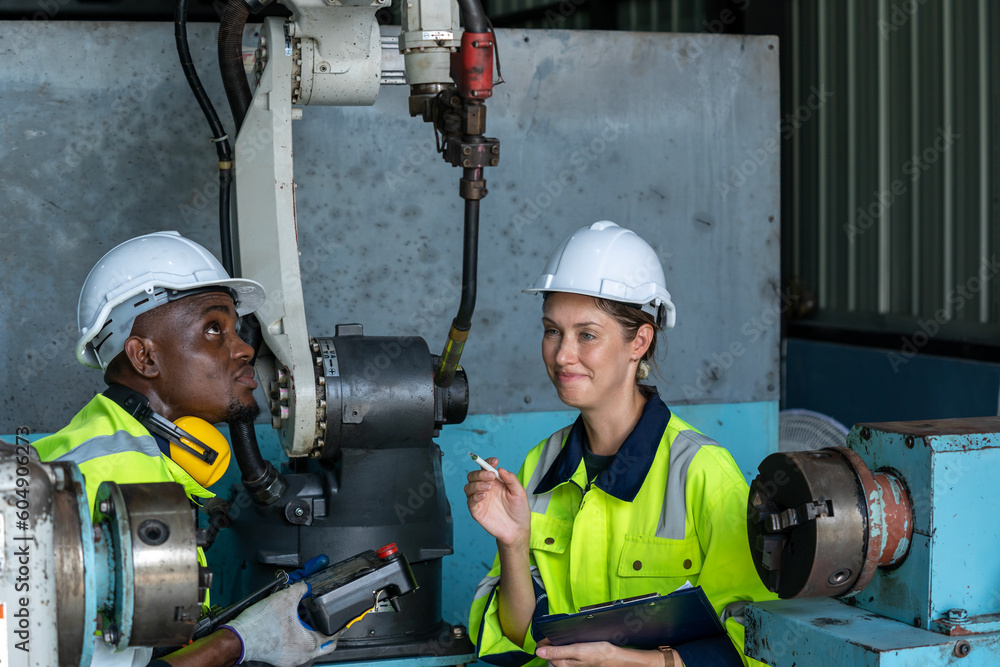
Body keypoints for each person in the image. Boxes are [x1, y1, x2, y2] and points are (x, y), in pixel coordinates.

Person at [466, 221, 776, 666]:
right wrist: (513, 544)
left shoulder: (703, 472)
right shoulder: (539, 465)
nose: (562, 354)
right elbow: (520, 638)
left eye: (586, 335)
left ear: (640, 341)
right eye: (552, 330)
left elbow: (758, 643)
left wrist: (637, 662)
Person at [33, 231, 337, 667]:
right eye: (214, 329)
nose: (246, 348)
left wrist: (254, 617)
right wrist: (240, 642)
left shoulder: (130, 453)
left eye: (237, 329)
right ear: (145, 358)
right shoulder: (111, 486)